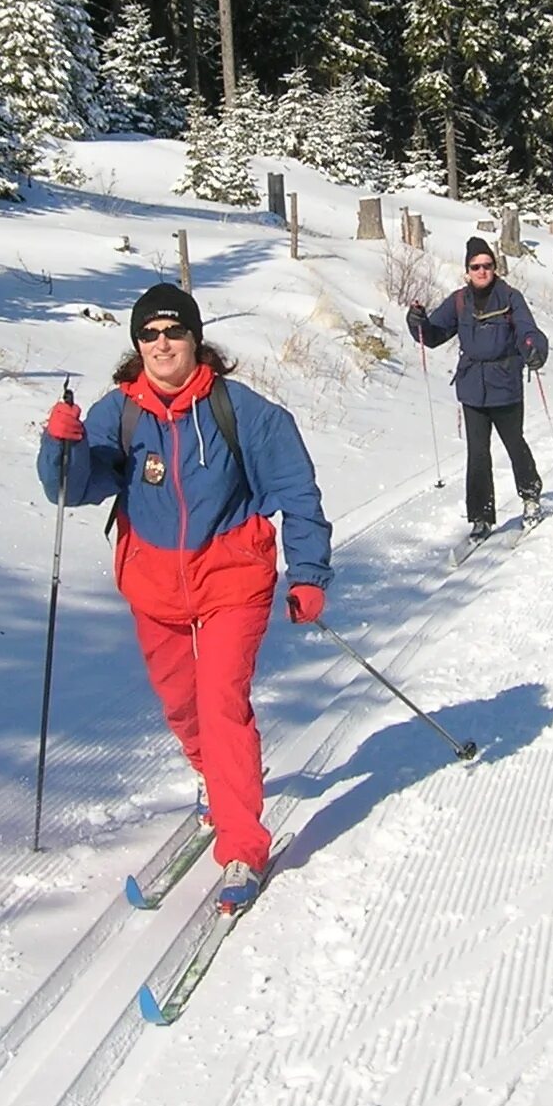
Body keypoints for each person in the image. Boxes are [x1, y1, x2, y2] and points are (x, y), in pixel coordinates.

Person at [39, 283, 331, 911]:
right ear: (137, 344)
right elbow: (75, 487)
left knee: (221, 701)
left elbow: (297, 490)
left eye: (174, 331)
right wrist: (59, 445)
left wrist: (308, 571)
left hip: (232, 578)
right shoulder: (120, 412)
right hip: (153, 581)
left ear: (197, 339)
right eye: (149, 334)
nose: (162, 343)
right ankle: (215, 781)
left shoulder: (243, 411)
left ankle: (242, 847)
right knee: (181, 704)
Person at [407, 236, 550, 538]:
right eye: (476, 266)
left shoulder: (510, 298)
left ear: (495, 268)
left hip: (505, 385)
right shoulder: (459, 301)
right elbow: (432, 335)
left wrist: (534, 348)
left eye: (487, 265)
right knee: (478, 454)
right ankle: (481, 518)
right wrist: (416, 321)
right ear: (467, 270)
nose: (482, 271)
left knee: (515, 446)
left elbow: (528, 331)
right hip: (472, 388)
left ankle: (531, 497)